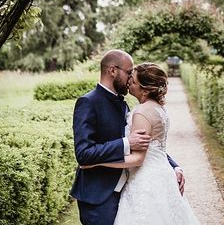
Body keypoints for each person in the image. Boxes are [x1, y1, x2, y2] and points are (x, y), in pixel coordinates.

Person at [70, 50, 185, 225]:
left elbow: (146, 144)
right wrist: (126, 142)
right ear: (112, 70)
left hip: (128, 191)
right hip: (99, 196)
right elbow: (83, 154)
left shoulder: (124, 104)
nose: (131, 77)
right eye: (129, 72)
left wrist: (174, 166)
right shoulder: (88, 103)